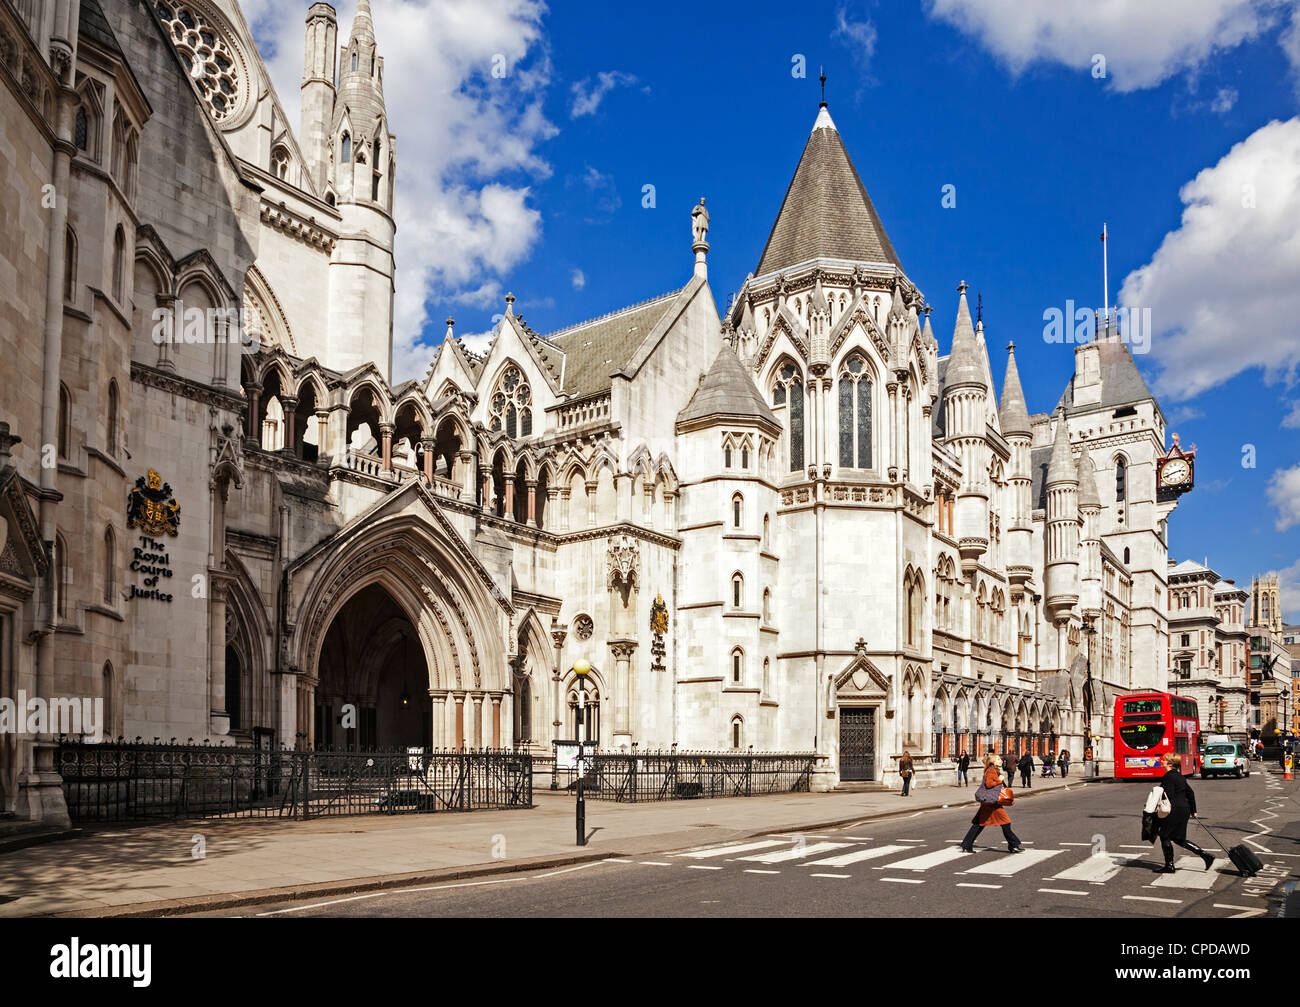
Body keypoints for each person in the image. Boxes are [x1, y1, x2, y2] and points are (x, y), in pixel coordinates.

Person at [1153, 754, 1214, 874]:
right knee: (1178, 838)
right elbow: (1190, 793)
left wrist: (1156, 796)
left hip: (1173, 810)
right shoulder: (1180, 776)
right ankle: (1205, 855)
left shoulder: (1168, 777)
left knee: (1164, 835)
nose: (1162, 761)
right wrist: (1193, 810)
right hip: (1184, 810)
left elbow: (1168, 795)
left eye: (1164, 760)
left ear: (1170, 764)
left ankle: (1169, 866)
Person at [960, 753, 1023, 853]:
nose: (1001, 761)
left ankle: (967, 844)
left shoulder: (992, 770)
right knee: (1006, 822)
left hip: (988, 802)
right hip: (991, 803)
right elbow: (989, 784)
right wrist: (999, 780)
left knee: (979, 824)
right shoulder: (992, 770)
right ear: (993, 761)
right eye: (998, 759)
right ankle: (1013, 844)